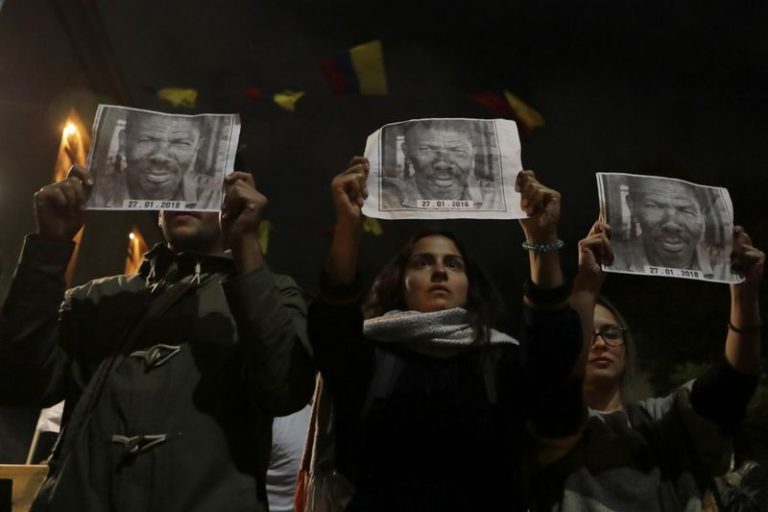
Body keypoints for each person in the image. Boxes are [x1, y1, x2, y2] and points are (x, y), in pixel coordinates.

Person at [0, 165, 315, 511]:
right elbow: (20, 383)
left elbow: (284, 390)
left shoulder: (271, 295)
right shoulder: (94, 299)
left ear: (234, 197)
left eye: (203, 182)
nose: (184, 193)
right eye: (170, 183)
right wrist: (49, 245)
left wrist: (247, 247)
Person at [301, 156, 587, 511]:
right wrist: (348, 227)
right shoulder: (370, 355)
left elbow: (553, 359)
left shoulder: (498, 358)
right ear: (400, 282)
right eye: (423, 262)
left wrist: (542, 238)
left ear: (468, 285)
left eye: (453, 264)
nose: (440, 271)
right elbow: (331, 326)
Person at [533, 219, 763, 511]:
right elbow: (555, 377)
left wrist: (744, 295)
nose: (599, 343)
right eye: (588, 334)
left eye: (611, 333)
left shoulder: (666, 421)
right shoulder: (546, 433)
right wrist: (586, 287)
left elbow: (732, 384)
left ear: (627, 349)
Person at [90, 110, 218, 209]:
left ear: (197, 146)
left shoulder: (216, 194)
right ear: (123, 142)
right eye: (147, 140)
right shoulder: (94, 194)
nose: (160, 157)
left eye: (181, 143)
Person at [613, 176, 729, 280]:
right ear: (632, 208)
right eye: (654, 206)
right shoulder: (612, 261)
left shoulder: (726, 266)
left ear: (702, 215)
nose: (672, 224)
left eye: (686, 210)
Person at [381, 120, 500, 209]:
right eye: (426, 149)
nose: (442, 164)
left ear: (473, 154)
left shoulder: (498, 197)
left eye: (458, 151)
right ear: (407, 154)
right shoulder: (384, 198)